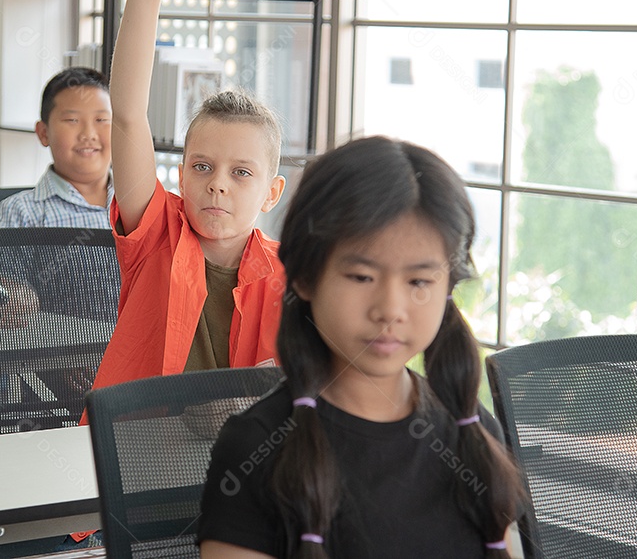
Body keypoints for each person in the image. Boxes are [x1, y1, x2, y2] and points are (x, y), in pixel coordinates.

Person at [198, 136, 526, 559]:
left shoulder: (474, 433)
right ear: (305, 278)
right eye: (361, 276)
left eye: (419, 282)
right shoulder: (255, 448)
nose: (390, 309)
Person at [89, 0, 287, 392]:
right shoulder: (155, 234)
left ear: (272, 193)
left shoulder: (288, 279)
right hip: (138, 456)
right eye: (202, 166)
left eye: (241, 172)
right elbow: (128, 114)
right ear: (181, 174)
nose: (217, 183)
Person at [0, 67, 113, 229]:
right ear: (44, 133)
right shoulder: (20, 213)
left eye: (101, 119)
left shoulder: (140, 203)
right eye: (72, 120)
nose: (89, 135)